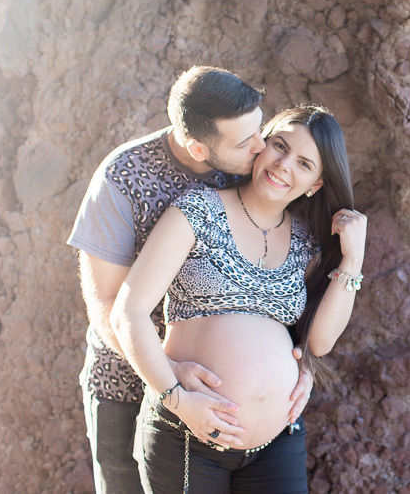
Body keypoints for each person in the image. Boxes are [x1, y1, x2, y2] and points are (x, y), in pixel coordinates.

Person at [68, 66, 314, 493]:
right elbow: (108, 301)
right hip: (125, 384)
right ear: (199, 149)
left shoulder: (251, 167)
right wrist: (168, 376)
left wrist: (297, 364)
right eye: (245, 142)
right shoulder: (124, 177)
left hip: (225, 410)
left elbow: (273, 283)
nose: (261, 148)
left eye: (260, 129)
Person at [111, 103, 366, 493]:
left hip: (277, 441)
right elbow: (128, 313)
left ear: (315, 183)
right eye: (279, 146)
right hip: (189, 434)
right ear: (261, 145)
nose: (283, 165)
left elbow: (320, 341)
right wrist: (177, 399)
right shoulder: (198, 211)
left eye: (304, 163)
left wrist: (353, 258)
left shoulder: (306, 240)